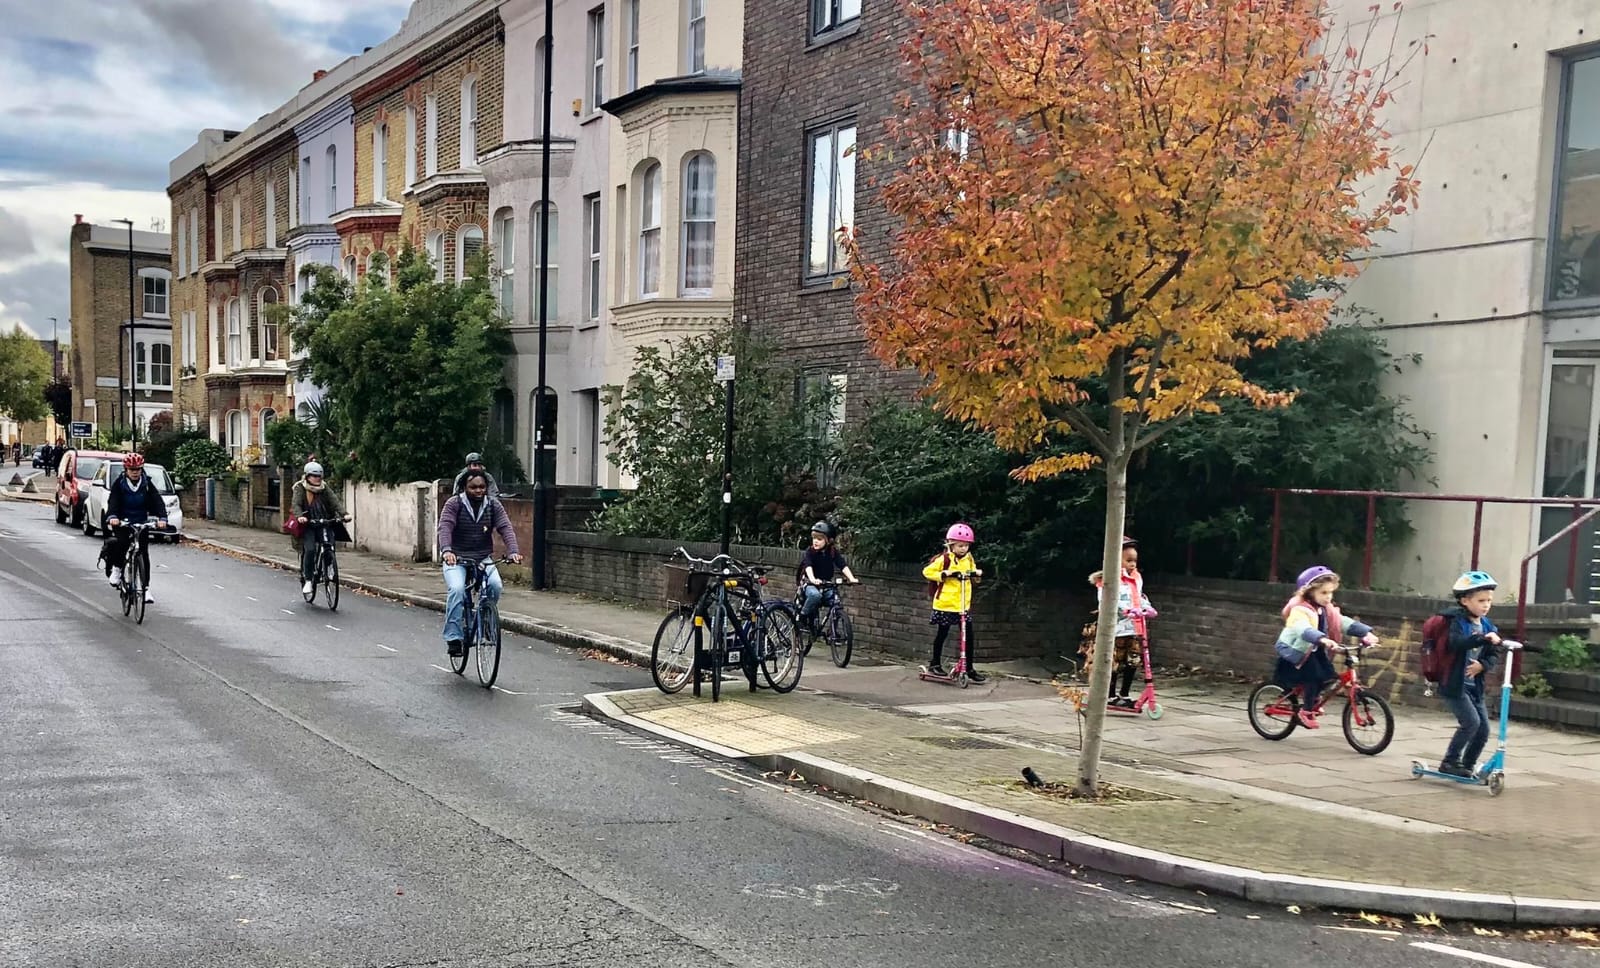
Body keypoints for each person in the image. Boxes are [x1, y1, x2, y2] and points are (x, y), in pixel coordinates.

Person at [1274, 565, 1376, 729]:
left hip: (1315, 650)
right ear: (1309, 592)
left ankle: (1313, 698)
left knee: (1329, 677)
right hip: (1297, 651)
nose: (1328, 597)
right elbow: (1302, 629)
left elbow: (1342, 622)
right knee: (1314, 676)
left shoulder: (1326, 610)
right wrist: (1321, 638)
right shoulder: (1299, 610)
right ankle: (1306, 712)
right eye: (1323, 593)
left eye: (1331, 592)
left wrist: (1365, 633)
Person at [438, 469, 522, 656]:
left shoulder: (493, 505)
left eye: (482, 487)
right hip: (456, 558)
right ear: (464, 487)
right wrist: (447, 550)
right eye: (473, 487)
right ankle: (453, 637)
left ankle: (485, 621)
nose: (478, 491)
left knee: (495, 585)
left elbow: (505, 528)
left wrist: (514, 551)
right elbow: (445, 527)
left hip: (482, 558)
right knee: (458, 589)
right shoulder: (454, 504)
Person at [1434, 571, 1504, 778]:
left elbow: (1493, 653)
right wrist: (1482, 639)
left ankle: (1467, 765)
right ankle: (1449, 761)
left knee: (1483, 730)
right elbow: (1456, 643)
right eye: (1481, 600)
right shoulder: (1456, 622)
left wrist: (1483, 665)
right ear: (1465, 600)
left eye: (1489, 600)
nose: (1486, 605)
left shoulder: (1487, 625)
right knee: (1471, 723)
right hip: (1454, 684)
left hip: (1475, 686)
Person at [1086, 536, 1157, 708]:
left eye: (1135, 561)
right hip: (1115, 629)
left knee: (1133, 660)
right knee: (1114, 663)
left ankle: (1124, 694)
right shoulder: (1107, 580)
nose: (1132, 564)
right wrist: (1125, 609)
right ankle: (1109, 695)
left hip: (1134, 628)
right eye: (1128, 560)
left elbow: (1138, 597)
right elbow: (1109, 599)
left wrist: (1147, 607)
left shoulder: (1136, 578)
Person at [922, 522, 985, 682]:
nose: (963, 549)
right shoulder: (945, 559)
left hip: (963, 605)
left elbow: (974, 577)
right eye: (960, 546)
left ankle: (968, 668)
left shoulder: (969, 559)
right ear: (951, 545)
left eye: (966, 546)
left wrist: (976, 574)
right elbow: (927, 571)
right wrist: (945, 574)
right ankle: (935, 664)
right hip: (945, 604)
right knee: (942, 633)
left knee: (968, 636)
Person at [103, 453, 167, 603]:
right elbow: (113, 502)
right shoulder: (119, 484)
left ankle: (145, 589)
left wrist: (162, 518)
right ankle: (117, 570)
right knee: (122, 543)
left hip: (140, 522)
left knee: (143, 554)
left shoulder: (146, 484)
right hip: (123, 522)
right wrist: (112, 516)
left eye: (137, 469)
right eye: (132, 469)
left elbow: (157, 501)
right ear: (126, 469)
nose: (135, 472)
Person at [290, 461, 350, 596]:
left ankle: (329, 568)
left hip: (325, 522)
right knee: (310, 550)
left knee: (329, 545)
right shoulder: (300, 488)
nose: (317, 479)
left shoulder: (324, 488)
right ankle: (309, 580)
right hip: (309, 524)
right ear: (307, 476)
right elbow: (296, 504)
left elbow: (334, 501)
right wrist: (300, 516)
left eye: (319, 476)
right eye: (314, 476)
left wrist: (344, 514)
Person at [797, 521, 859, 629]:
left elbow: (842, 565)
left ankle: (833, 632)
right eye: (814, 538)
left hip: (826, 585)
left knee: (836, 602)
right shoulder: (810, 552)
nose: (815, 541)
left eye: (819, 539)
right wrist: (813, 579)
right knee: (815, 595)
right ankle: (802, 617)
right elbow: (808, 566)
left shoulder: (832, 552)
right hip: (810, 584)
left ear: (829, 541)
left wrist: (851, 578)